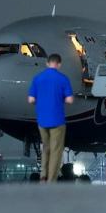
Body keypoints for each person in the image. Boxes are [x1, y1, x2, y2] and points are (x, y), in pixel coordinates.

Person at [28, 53, 74, 183]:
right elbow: (69, 100)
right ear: (59, 64)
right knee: (56, 150)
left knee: (45, 148)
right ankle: (51, 179)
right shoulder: (63, 78)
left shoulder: (37, 78)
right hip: (57, 121)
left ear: (47, 63)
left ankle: (43, 174)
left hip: (42, 121)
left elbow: (31, 99)